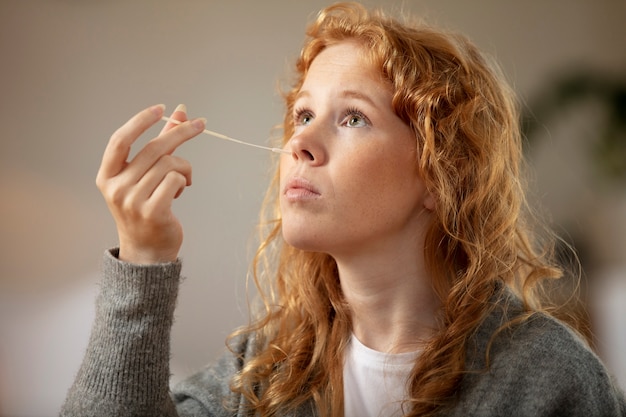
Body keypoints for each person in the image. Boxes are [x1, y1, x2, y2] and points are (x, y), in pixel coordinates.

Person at [61, 2, 626, 416]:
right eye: (303, 115)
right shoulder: (265, 371)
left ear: (440, 175)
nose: (299, 143)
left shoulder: (549, 382)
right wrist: (142, 260)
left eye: (352, 117)